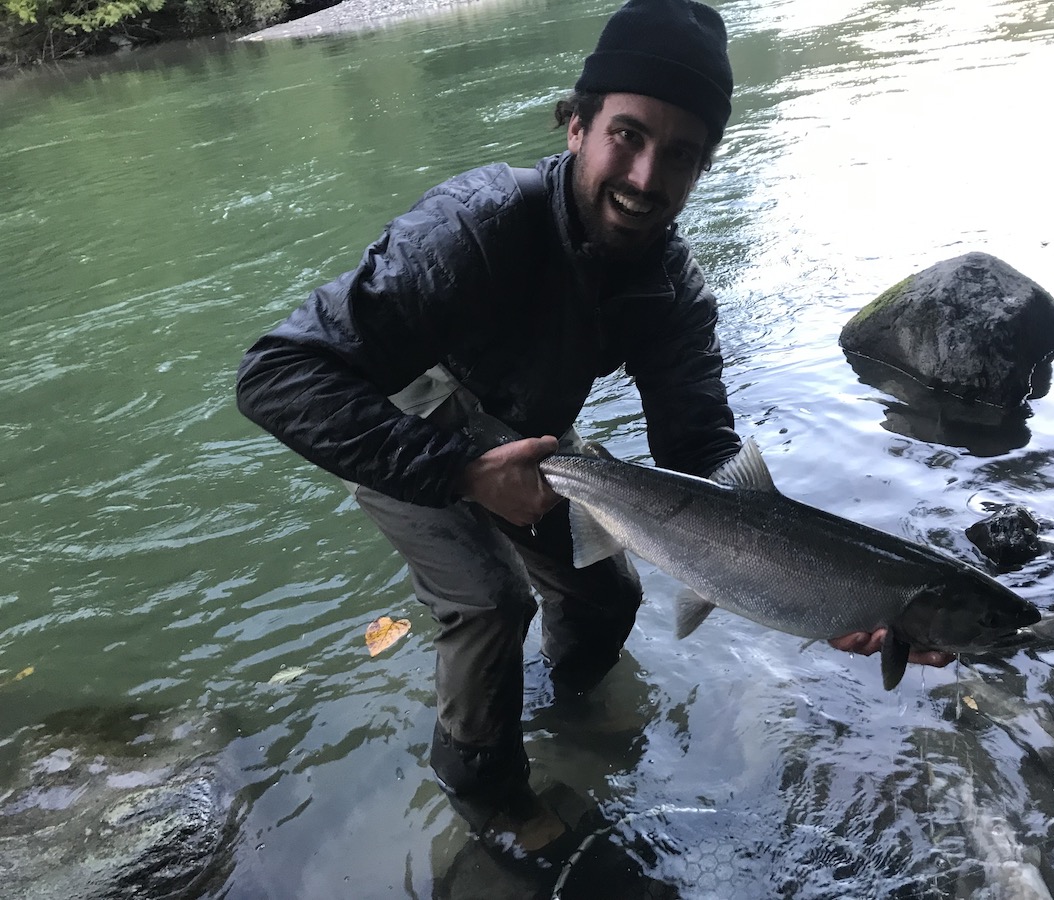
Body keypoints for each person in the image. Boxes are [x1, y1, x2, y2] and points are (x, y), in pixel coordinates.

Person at [236, 0, 950, 864]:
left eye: (681, 154)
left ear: (703, 166)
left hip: (537, 437)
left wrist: (824, 595)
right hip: (411, 424)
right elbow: (276, 374)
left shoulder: (672, 293)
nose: (648, 176)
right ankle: (488, 796)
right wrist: (461, 470)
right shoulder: (474, 224)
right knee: (488, 600)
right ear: (575, 124)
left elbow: (705, 460)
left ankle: (563, 706)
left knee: (606, 593)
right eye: (628, 135)